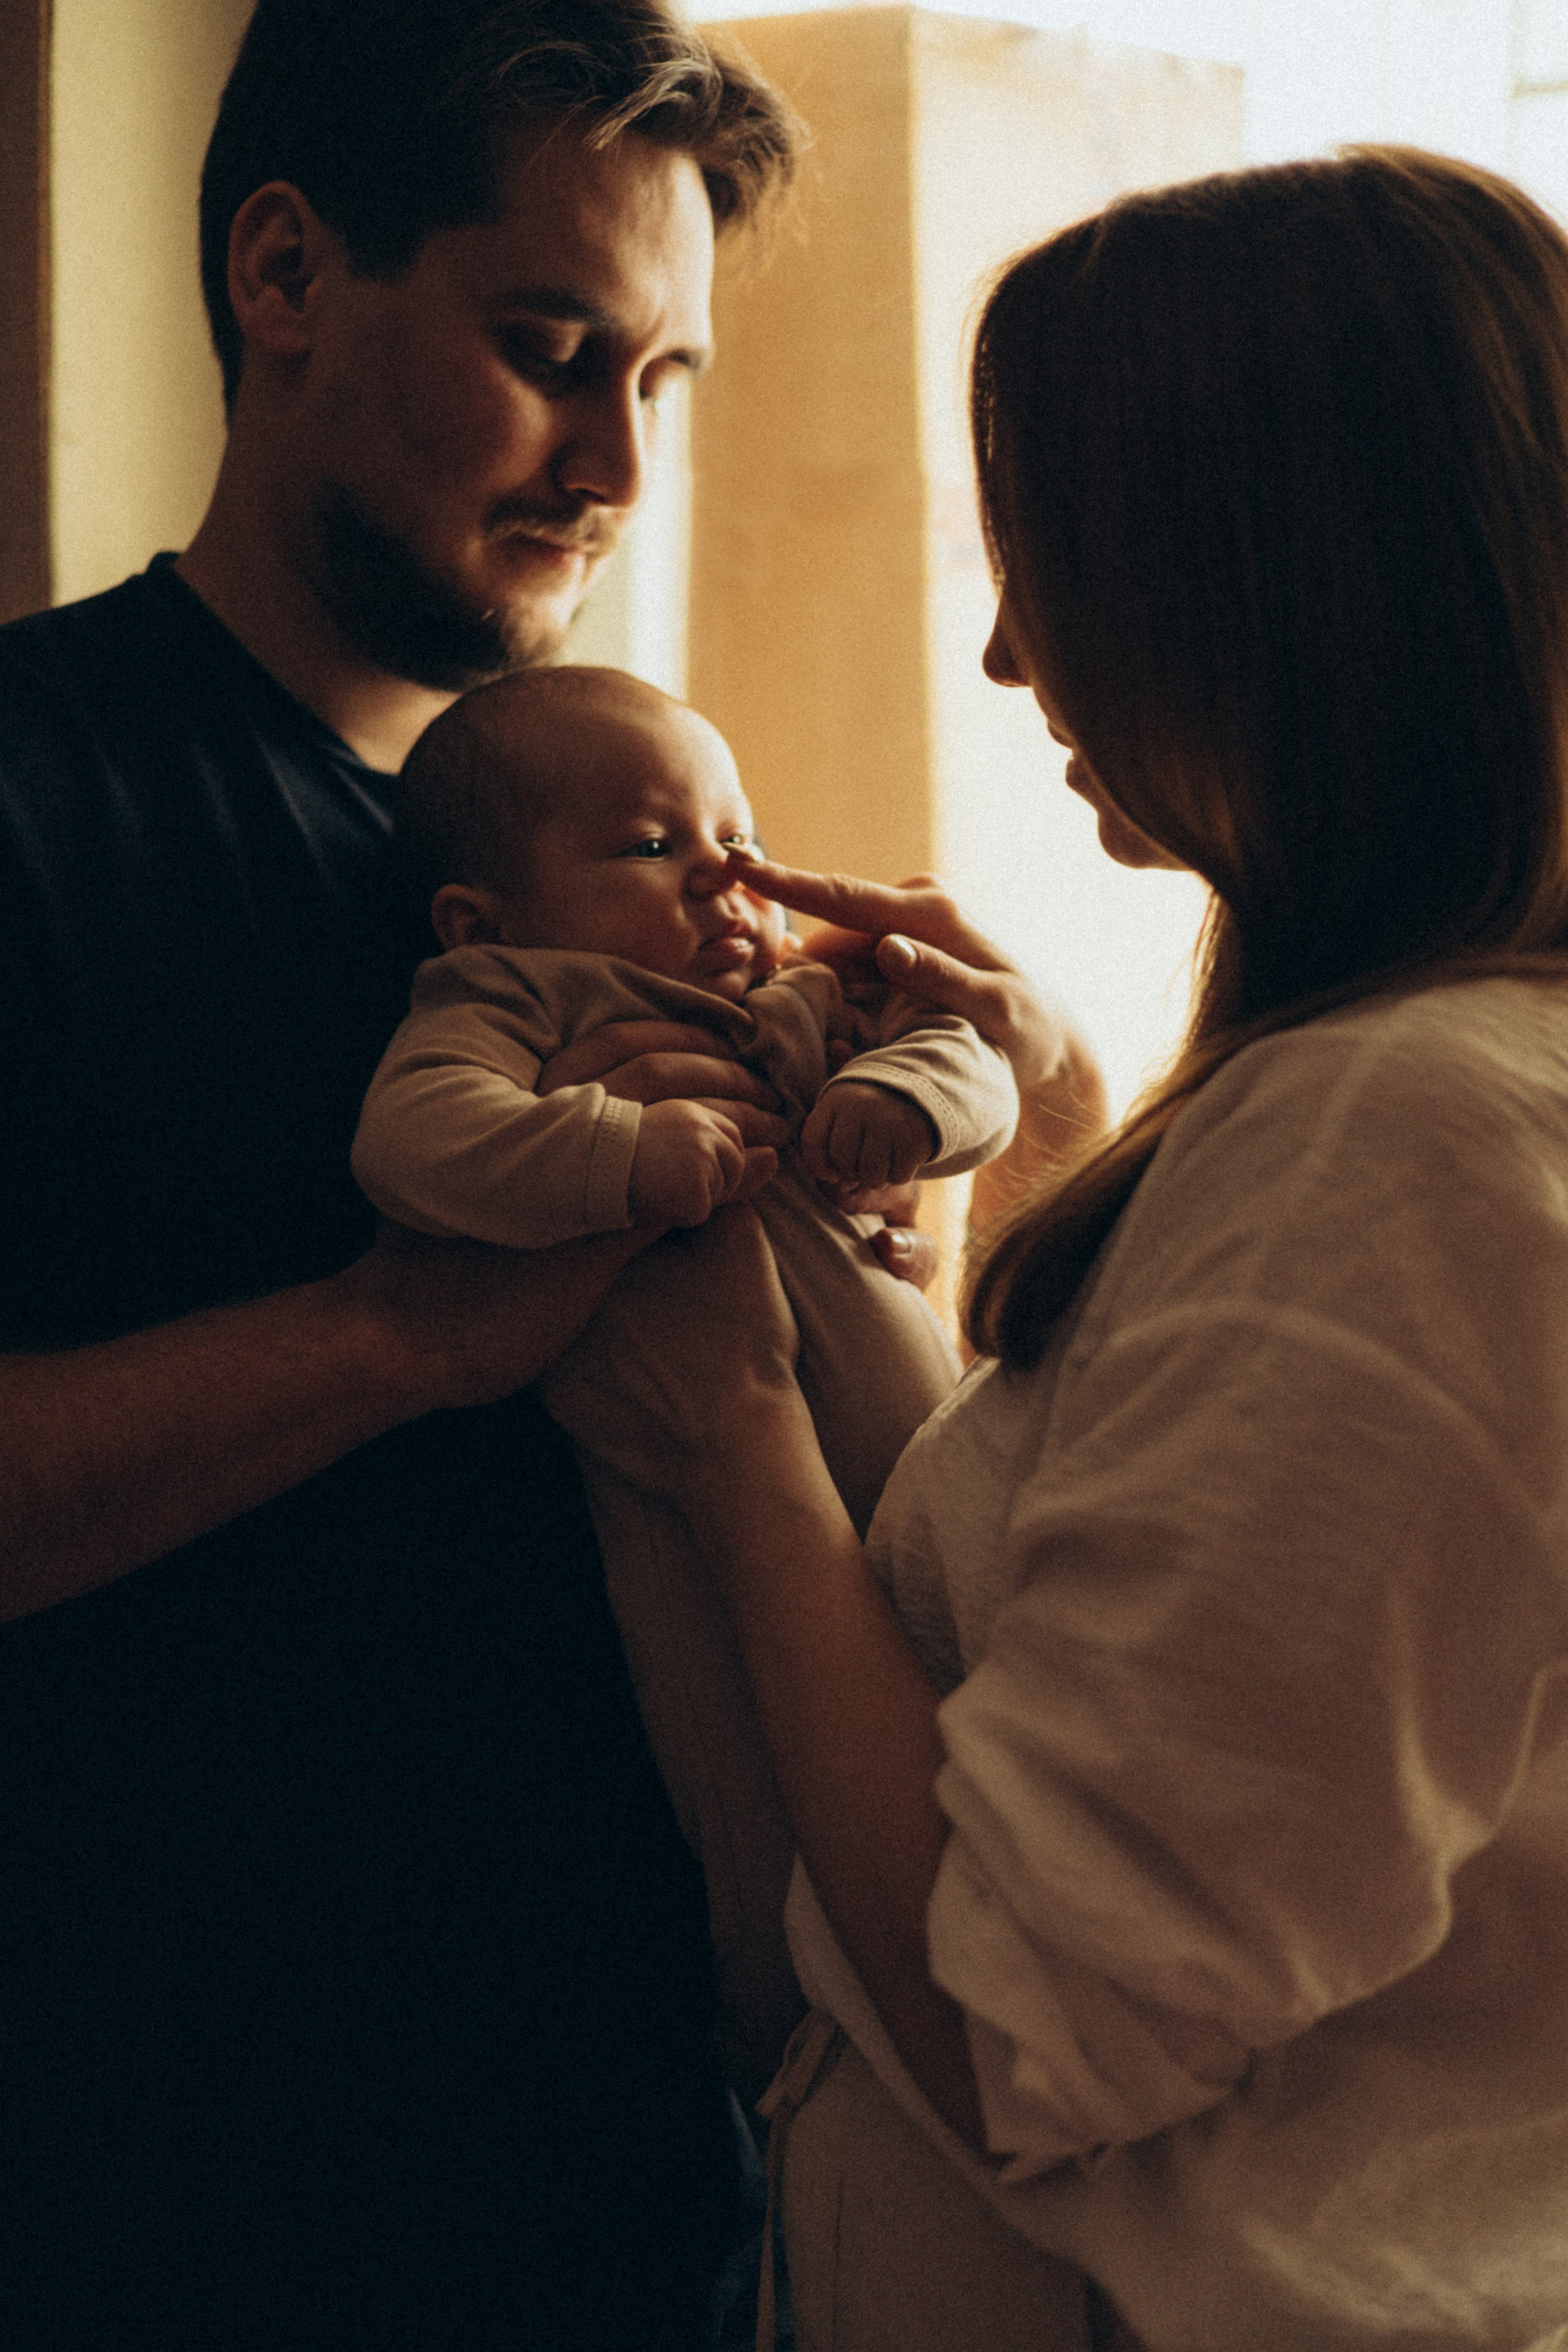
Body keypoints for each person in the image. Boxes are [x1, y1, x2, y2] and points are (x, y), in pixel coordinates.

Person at [543, 146, 1568, 2352]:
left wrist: (731, 1440)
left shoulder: (1404, 1144)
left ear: (1282, 596)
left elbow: (1026, 2038)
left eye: (1062, 569)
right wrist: (1083, 1159)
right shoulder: (1450, 1098)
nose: (1010, 656)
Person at [0, 5, 809, 2345]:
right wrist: (391, 1337)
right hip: (167, 2221)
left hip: (652, 2202)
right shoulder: (38, 799)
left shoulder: (631, 847)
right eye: (554, 351)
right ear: (283, 272)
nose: (616, 465)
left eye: (665, 382)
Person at [350, 663, 1019, 2087]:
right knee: (740, 1774)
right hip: (686, 1500)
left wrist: (905, 1107)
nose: (727, 880)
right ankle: (790, 2038)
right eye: (655, 847)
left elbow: (981, 1056)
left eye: (735, 837)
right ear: (486, 915)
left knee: (994, 1731)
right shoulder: (505, 997)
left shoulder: (795, 1006)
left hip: (927, 1496)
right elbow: (412, 1140)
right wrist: (616, 1156)